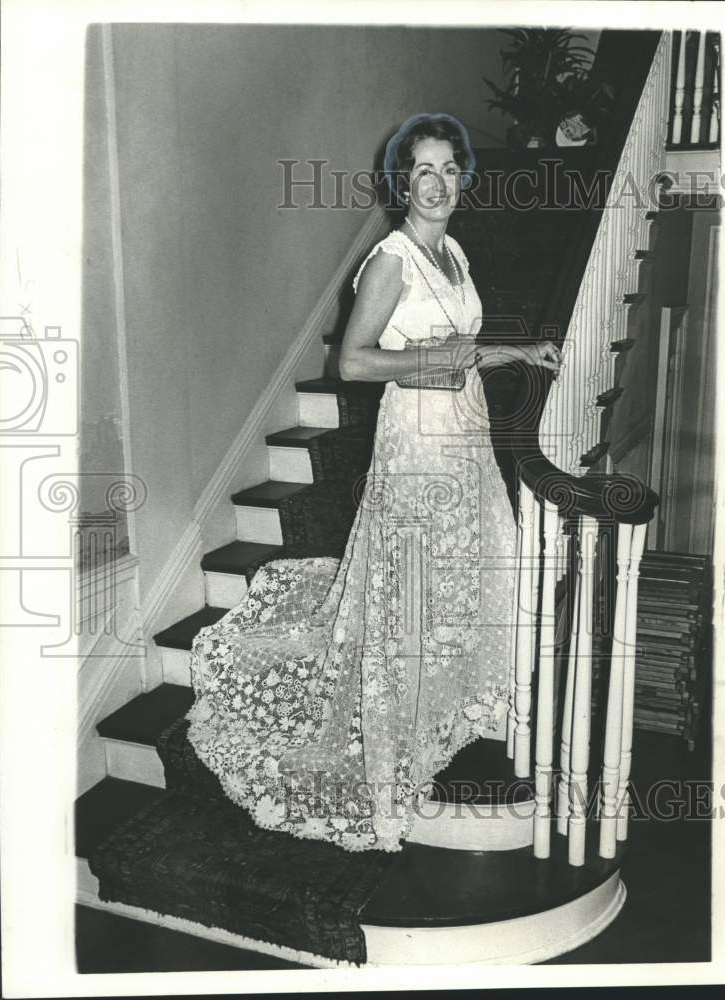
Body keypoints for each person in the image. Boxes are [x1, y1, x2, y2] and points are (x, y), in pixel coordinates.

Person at [185, 113, 561, 853]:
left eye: (449, 168)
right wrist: (433, 367)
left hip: (464, 432)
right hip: (416, 440)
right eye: (422, 170)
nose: (437, 183)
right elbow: (352, 364)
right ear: (401, 182)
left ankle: (459, 698)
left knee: (473, 564)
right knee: (418, 581)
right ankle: (409, 720)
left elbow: (458, 344)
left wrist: (519, 349)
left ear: (461, 177)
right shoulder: (390, 259)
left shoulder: (450, 250)